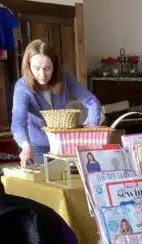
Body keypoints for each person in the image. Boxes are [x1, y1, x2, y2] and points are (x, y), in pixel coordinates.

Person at [12, 39, 101, 168]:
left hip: (64, 144)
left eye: (47, 68)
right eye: (36, 68)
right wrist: (26, 146)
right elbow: (18, 122)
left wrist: (90, 132)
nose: (42, 74)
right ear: (28, 66)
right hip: (36, 146)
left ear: (55, 67)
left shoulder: (64, 78)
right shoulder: (22, 87)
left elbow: (92, 102)